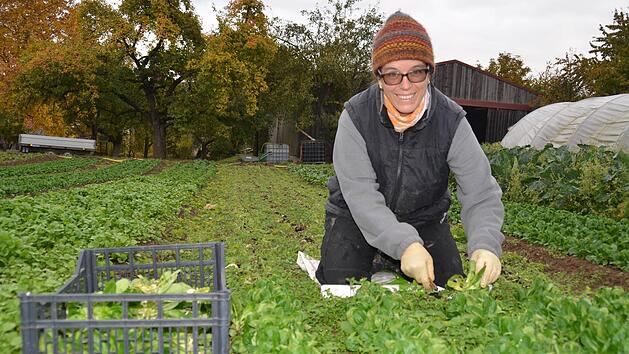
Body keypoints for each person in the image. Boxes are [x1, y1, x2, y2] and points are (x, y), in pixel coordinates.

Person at [315, 11, 504, 291]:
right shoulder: (355, 117)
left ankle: (392, 261)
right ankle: (384, 258)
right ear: (379, 78)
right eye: (392, 74)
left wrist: (485, 245)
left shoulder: (452, 121)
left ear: (429, 73)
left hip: (424, 220)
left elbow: (480, 192)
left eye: (416, 72)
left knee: (448, 283)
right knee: (339, 283)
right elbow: (361, 196)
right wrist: (405, 245)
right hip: (354, 218)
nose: (405, 85)